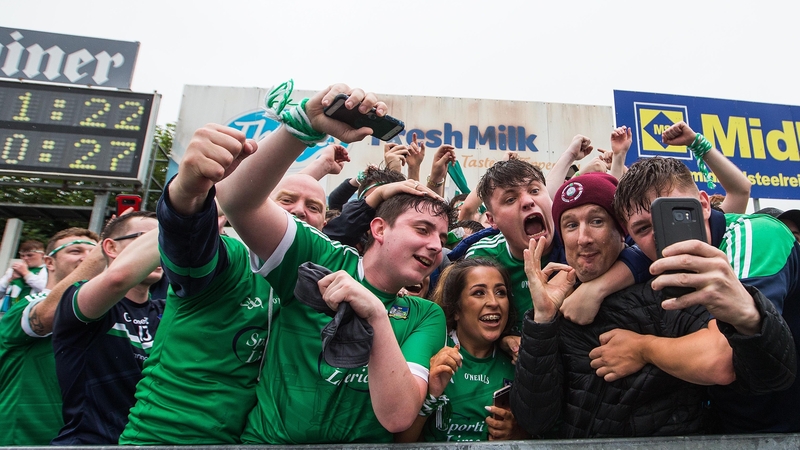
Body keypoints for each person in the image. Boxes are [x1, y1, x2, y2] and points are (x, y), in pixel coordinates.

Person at [215, 82, 450, 443]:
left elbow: (399, 416)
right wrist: (303, 128)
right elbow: (236, 200)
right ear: (379, 228)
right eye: (422, 229)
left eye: (442, 238)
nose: (435, 246)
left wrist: (375, 314)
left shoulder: (425, 315)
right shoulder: (319, 256)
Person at [121, 137, 344, 444]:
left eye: (314, 207)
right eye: (286, 200)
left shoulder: (318, 283)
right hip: (166, 438)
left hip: (245, 440)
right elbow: (187, 233)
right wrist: (189, 190)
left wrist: (319, 167)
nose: (300, 211)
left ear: (321, 225)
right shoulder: (226, 259)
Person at [511, 172, 732, 437]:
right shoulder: (553, 307)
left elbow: (722, 361)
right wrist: (543, 320)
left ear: (621, 232)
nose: (583, 238)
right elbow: (534, 420)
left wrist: (643, 349)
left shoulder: (669, 288)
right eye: (570, 225)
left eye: (596, 221)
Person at [601, 154, 799, 433]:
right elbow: (632, 258)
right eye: (643, 228)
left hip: (784, 428)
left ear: (704, 205)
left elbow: (720, 360)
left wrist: (641, 348)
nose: (659, 233)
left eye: (672, 213)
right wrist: (593, 290)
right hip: (730, 427)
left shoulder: (755, 235)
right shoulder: (652, 257)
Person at [51, 212, 165, 445]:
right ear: (111, 248)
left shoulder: (166, 311)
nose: (162, 248)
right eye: (148, 239)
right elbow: (117, 279)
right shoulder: (78, 298)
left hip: (147, 443)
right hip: (90, 443)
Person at [396, 258, 527, 442]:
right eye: (479, 293)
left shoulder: (518, 360)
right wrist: (431, 395)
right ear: (455, 309)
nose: (493, 302)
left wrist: (516, 434)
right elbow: (400, 441)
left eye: (500, 292)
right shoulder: (429, 352)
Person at [0, 228, 99, 445]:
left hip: (86, 437)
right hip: (25, 440)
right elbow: (50, 312)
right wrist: (102, 254)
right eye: (75, 251)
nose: (87, 257)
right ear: (49, 262)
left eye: (92, 251)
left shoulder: (108, 313)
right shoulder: (26, 306)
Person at [1, 239, 47, 310]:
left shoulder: (47, 270)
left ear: (42, 255)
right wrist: (10, 279)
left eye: (30, 255)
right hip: (9, 309)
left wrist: (26, 274)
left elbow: (46, 289)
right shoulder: (14, 270)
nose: (25, 258)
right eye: (22, 256)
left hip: (31, 310)